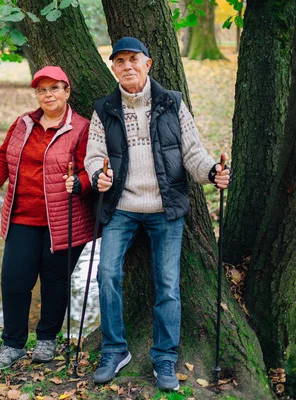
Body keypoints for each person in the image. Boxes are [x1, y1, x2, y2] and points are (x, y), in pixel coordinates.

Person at [84, 37, 232, 391]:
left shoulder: (172, 103)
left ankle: (164, 357)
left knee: (167, 284)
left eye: (133, 59)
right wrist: (97, 176)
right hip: (121, 207)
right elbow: (94, 154)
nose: (127, 66)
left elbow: (193, 153)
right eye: (119, 61)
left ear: (148, 64)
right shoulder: (104, 109)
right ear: (114, 69)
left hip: (166, 208)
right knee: (106, 275)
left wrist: (212, 172)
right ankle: (115, 350)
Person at [0, 66, 95, 370]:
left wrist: (80, 182)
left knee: (55, 283)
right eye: (42, 90)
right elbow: (3, 159)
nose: (48, 95)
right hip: (21, 217)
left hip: (63, 221)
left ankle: (46, 339)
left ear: (67, 91)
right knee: (14, 281)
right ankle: (12, 344)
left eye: (54, 88)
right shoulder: (23, 123)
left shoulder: (82, 127)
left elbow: (91, 168)